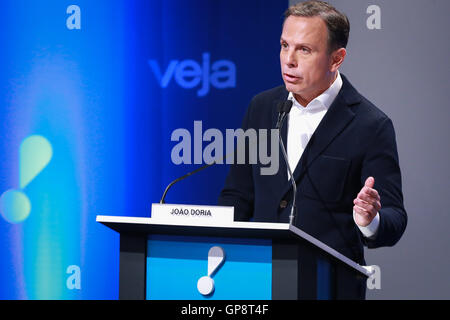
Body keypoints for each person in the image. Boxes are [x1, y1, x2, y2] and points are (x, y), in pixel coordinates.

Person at [218, 0, 407, 299]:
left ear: (336, 59)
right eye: (284, 45)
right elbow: (238, 195)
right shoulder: (262, 108)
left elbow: (395, 218)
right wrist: (213, 242)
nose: (288, 60)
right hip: (259, 283)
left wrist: (370, 220)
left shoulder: (371, 125)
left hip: (330, 287)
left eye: (304, 50)